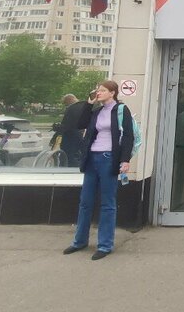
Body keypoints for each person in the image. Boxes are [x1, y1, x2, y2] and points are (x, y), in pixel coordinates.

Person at [63, 80, 135, 260]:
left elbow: (128, 136)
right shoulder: (96, 111)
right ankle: (79, 241)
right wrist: (89, 104)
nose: (98, 93)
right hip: (91, 158)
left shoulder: (120, 110)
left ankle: (105, 245)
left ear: (112, 93)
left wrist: (125, 160)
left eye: (102, 90)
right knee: (85, 201)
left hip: (108, 158)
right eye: (97, 90)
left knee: (107, 203)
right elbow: (81, 124)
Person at [57, 94, 87, 168]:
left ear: (69, 100)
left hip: (70, 138)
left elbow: (66, 125)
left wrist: (59, 128)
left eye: (65, 103)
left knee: (69, 157)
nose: (65, 105)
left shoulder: (71, 109)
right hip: (82, 136)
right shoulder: (85, 106)